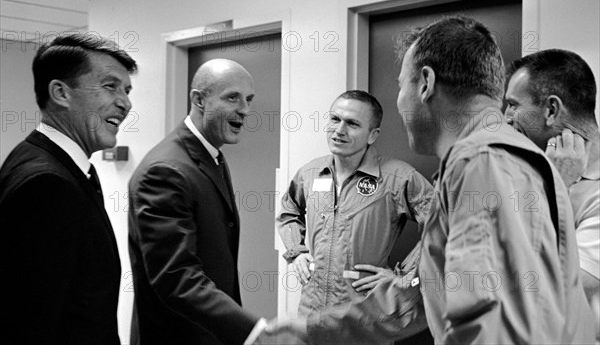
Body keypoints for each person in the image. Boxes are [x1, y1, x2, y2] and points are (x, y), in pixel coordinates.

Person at [258, 16, 595, 344]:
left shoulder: (484, 162)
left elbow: (489, 326)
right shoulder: (489, 158)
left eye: (401, 86)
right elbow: (428, 290)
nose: (400, 101)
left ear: (425, 83)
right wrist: (313, 330)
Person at [0, 33, 137, 344]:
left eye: (127, 90)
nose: (125, 102)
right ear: (61, 92)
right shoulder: (47, 185)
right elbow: (29, 325)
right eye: (110, 86)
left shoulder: (54, 163)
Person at [275, 90, 434, 341]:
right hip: (312, 312)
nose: (339, 130)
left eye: (352, 124)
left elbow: (442, 224)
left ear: (373, 135)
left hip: (363, 318)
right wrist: (297, 252)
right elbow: (289, 210)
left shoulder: (397, 177)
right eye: (335, 119)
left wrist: (404, 275)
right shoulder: (311, 173)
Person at [128, 59, 264, 344]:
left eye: (248, 100)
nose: (245, 109)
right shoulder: (166, 170)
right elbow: (176, 277)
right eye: (232, 97)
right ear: (199, 99)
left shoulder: (212, 157)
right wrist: (253, 331)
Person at [504, 48, 600, 339]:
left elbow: (554, 289)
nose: (505, 118)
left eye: (512, 105)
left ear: (551, 110)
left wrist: (556, 187)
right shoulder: (533, 167)